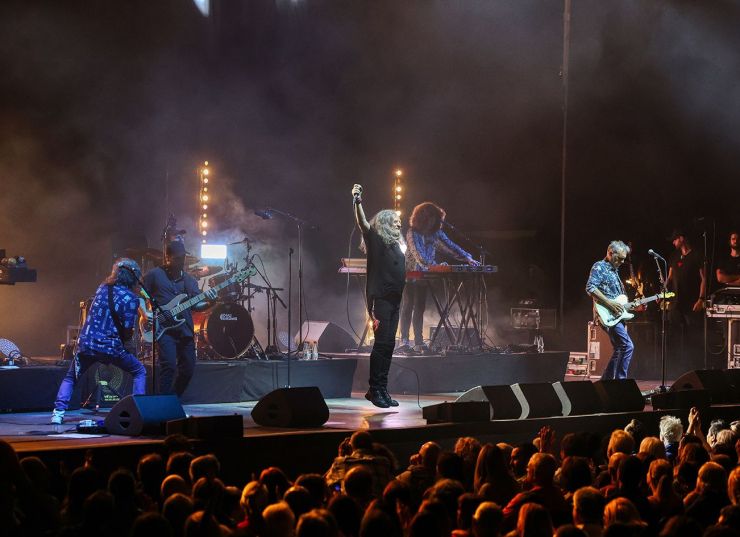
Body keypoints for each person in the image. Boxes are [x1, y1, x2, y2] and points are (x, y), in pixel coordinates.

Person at [51, 258, 147, 424]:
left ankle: (58, 414)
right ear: (134, 277)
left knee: (70, 378)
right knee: (139, 371)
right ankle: (137, 412)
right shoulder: (131, 299)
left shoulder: (102, 288)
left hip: (87, 345)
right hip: (111, 348)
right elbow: (127, 330)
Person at [398, 202, 479, 354]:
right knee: (408, 306)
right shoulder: (412, 233)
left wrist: (468, 257)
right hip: (410, 274)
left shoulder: (436, 233)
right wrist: (434, 266)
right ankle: (404, 341)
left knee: (419, 308)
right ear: (424, 218)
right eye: (432, 218)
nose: (434, 222)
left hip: (423, 275)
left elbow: (450, 246)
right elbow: (419, 256)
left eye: (436, 219)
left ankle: (418, 342)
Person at [352, 183, 406, 408]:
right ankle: (375, 389)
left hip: (394, 300)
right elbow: (363, 224)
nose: (399, 223)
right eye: (395, 221)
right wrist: (357, 201)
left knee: (389, 345)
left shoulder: (396, 244)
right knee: (381, 344)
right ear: (385, 223)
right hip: (381, 299)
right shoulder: (375, 239)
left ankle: (381, 388)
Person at [143, 240, 216, 396]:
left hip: (185, 331)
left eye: (182, 257)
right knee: (169, 366)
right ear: (167, 257)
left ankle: (173, 399)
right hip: (164, 330)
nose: (181, 261)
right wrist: (144, 313)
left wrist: (211, 301)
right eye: (177, 258)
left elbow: (196, 305)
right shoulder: (154, 275)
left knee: (188, 369)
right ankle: (163, 404)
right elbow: (139, 294)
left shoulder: (189, 281)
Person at [585, 240, 635, 380]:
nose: (621, 262)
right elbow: (590, 288)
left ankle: (606, 382)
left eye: (623, 259)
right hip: (606, 314)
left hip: (617, 315)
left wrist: (632, 306)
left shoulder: (615, 272)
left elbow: (619, 301)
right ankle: (620, 381)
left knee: (620, 348)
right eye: (619, 258)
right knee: (627, 346)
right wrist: (610, 304)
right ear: (609, 253)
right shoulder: (599, 267)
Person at [666, 229, 706, 366]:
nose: (673, 242)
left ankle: (694, 366)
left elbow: (704, 279)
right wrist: (663, 292)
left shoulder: (696, 255)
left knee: (693, 336)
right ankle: (677, 365)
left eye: (675, 239)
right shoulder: (674, 256)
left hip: (691, 303)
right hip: (676, 303)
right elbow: (669, 278)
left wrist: (701, 299)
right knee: (675, 335)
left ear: (682, 238)